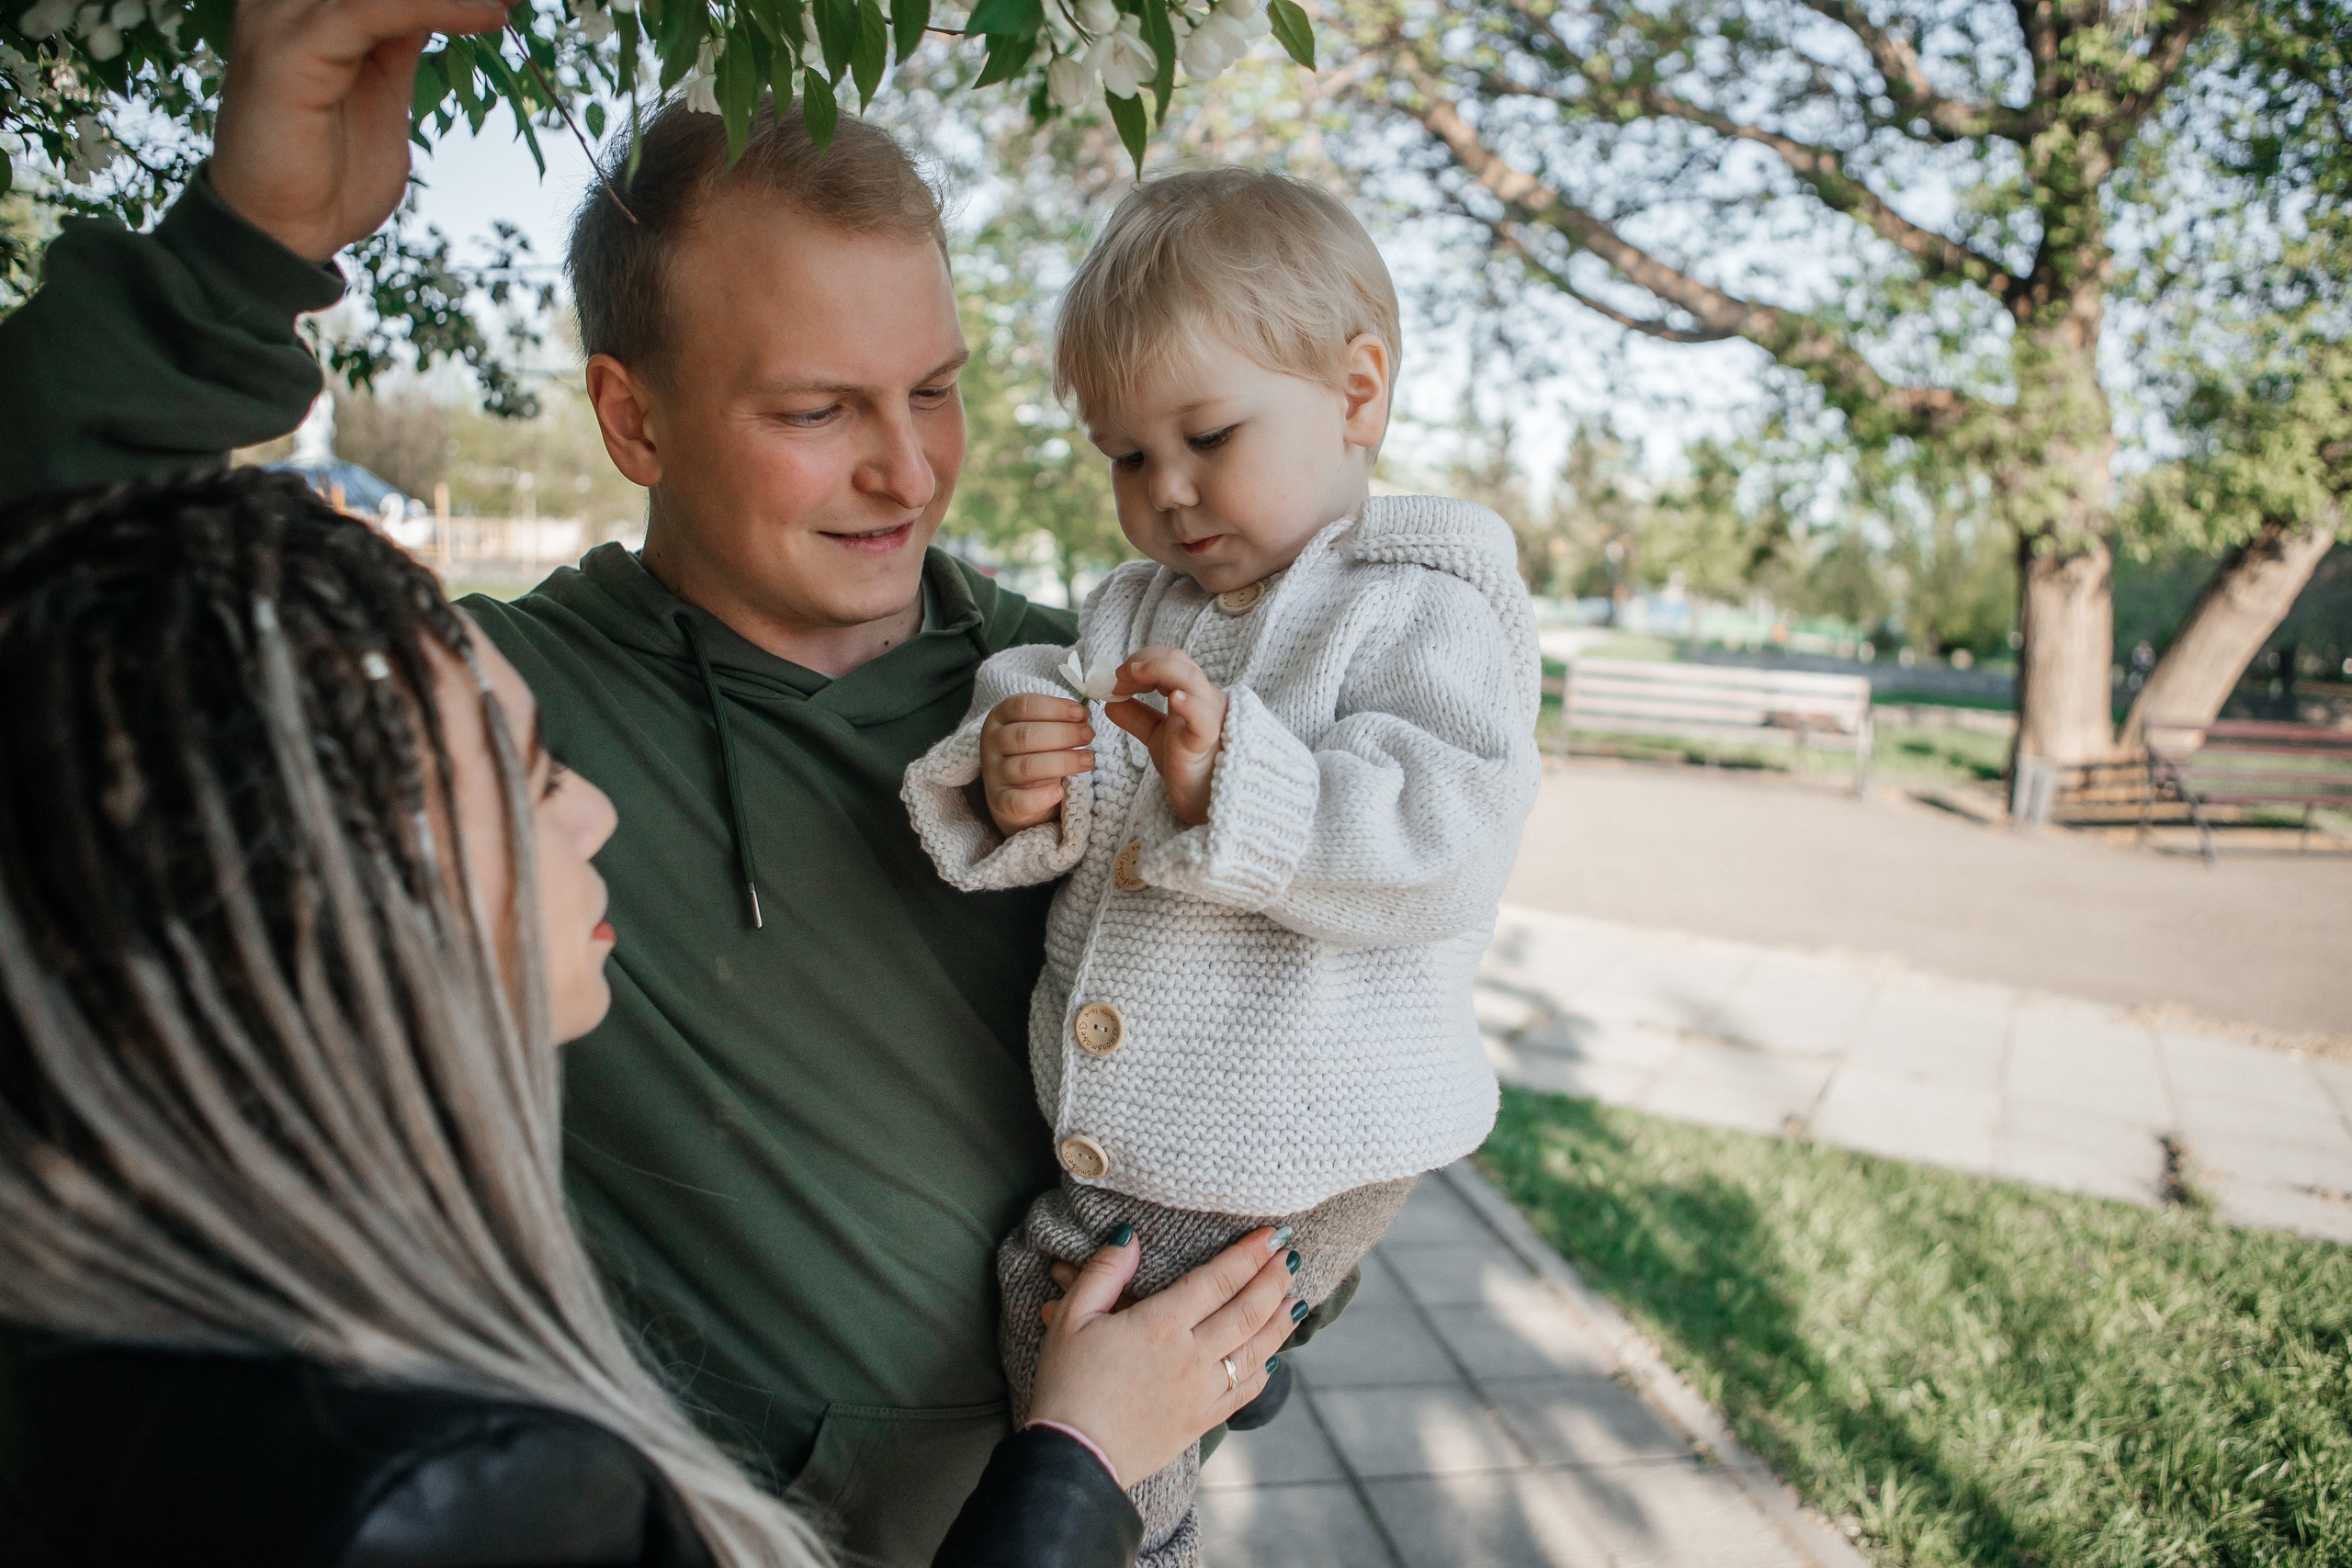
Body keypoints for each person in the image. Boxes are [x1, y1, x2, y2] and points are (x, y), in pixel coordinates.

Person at [0, 4, 1353, 1559]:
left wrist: (1259, 1299)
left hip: (1100, 1513)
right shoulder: (484, 724)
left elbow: (1322, 1013)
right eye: (817, 411)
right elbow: (60, 616)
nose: (906, 472)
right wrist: (240, 254)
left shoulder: (1095, 690)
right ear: (631, 417)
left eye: (934, 389)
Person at [0, 466, 1303, 1566]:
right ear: (326, 883)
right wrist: (1080, 1463)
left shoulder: (164, 1318)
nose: (595, 814)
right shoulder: (458, 1493)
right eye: (529, 775)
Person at [901, 167, 1544, 1566]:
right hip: (1235, 1130)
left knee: (1064, 1299)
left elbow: (1446, 835)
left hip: (1285, 1121)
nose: (1169, 492)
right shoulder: (1145, 604)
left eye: (1205, 434)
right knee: (1128, 1330)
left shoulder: (1424, 602)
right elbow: (1067, 716)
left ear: (1357, 393)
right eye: (1127, 457)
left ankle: (1144, 1541)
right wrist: (1022, 773)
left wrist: (1236, 785)